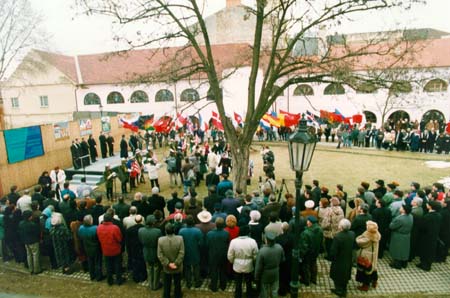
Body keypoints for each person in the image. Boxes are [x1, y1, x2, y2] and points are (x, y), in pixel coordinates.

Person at [228, 225, 258, 298]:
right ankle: (249, 295)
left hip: (237, 265)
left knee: (238, 282)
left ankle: (238, 295)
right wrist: (253, 261)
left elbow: (230, 255)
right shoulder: (252, 241)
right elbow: (256, 254)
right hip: (249, 265)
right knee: (248, 282)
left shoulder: (233, 241)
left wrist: (233, 262)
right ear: (248, 232)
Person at [157, 223, 185, 298]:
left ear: (165, 231)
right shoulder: (180, 238)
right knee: (177, 282)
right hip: (177, 266)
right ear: (174, 230)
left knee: (167, 283)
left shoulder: (160, 240)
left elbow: (160, 254)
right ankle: (178, 295)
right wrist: (176, 263)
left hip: (167, 267)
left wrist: (168, 263)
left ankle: (166, 295)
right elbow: (182, 252)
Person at [255, 231, 285, 298]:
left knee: (264, 291)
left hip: (265, 275)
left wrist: (256, 277)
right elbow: (283, 259)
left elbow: (258, 267)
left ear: (266, 240)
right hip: (276, 273)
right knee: (274, 290)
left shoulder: (262, 251)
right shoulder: (279, 247)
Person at [329, 219, 355, 297]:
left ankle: (339, 291)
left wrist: (332, 257)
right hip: (348, 258)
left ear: (341, 227)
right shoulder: (352, 234)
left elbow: (333, 251)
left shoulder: (338, 237)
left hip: (339, 260)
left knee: (338, 275)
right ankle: (344, 288)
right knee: (346, 273)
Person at [97, 213, 124, 285]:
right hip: (115, 250)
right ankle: (119, 280)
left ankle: (109, 281)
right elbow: (119, 239)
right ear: (111, 219)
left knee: (108, 266)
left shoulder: (99, 227)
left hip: (105, 250)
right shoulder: (115, 228)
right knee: (117, 265)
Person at [416, 201, 442, 271]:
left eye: (428, 204)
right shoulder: (439, 215)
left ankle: (424, 265)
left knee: (424, 250)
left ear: (430, 207)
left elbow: (422, 227)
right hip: (434, 236)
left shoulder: (427, 216)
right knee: (430, 251)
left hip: (425, 237)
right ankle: (427, 264)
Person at [139, 215, 163, 290]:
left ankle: (150, 284)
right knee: (156, 268)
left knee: (149, 268)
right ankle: (155, 285)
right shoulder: (157, 231)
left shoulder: (141, 230)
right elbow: (160, 241)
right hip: (155, 251)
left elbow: (140, 240)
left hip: (146, 251)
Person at [355, 221, 381, 291]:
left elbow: (359, 242)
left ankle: (365, 286)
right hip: (374, 255)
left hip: (366, 255)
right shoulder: (377, 234)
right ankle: (374, 282)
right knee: (373, 269)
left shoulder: (368, 236)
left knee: (365, 270)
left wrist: (360, 236)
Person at [178, 215, 203, 288]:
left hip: (186, 252)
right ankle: (197, 282)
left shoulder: (181, 231)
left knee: (187, 267)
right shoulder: (197, 231)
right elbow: (201, 243)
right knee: (196, 267)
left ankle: (188, 283)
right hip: (195, 251)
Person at [78, 214, 104, 281]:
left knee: (90, 262)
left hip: (87, 248)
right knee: (98, 262)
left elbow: (80, 237)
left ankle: (92, 276)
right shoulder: (95, 228)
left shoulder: (81, 228)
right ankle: (99, 276)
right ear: (90, 221)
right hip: (96, 248)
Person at [299, 216, 323, 286]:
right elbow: (321, 241)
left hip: (308, 253)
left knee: (306, 266)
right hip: (315, 252)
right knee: (313, 264)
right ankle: (313, 279)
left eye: (308, 221)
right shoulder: (320, 230)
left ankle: (306, 280)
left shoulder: (306, 233)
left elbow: (304, 247)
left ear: (310, 223)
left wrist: (301, 255)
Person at [206, 217, 229, 292]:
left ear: (215, 224)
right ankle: (223, 286)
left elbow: (207, 244)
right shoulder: (226, 233)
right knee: (223, 270)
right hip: (223, 255)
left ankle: (214, 286)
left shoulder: (210, 234)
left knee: (214, 271)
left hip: (213, 255)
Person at [389, 204, 413, 269]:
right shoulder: (411, 216)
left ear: (404, 210)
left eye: (401, 208)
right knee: (405, 250)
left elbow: (391, 226)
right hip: (407, 235)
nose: (400, 208)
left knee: (397, 250)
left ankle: (397, 264)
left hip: (398, 236)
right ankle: (404, 263)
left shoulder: (399, 218)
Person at [18, 210, 41, 274]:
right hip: (33, 241)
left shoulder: (21, 223)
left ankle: (31, 269)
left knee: (29, 255)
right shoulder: (32, 224)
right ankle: (37, 269)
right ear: (29, 217)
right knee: (35, 255)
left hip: (25, 241)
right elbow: (37, 232)